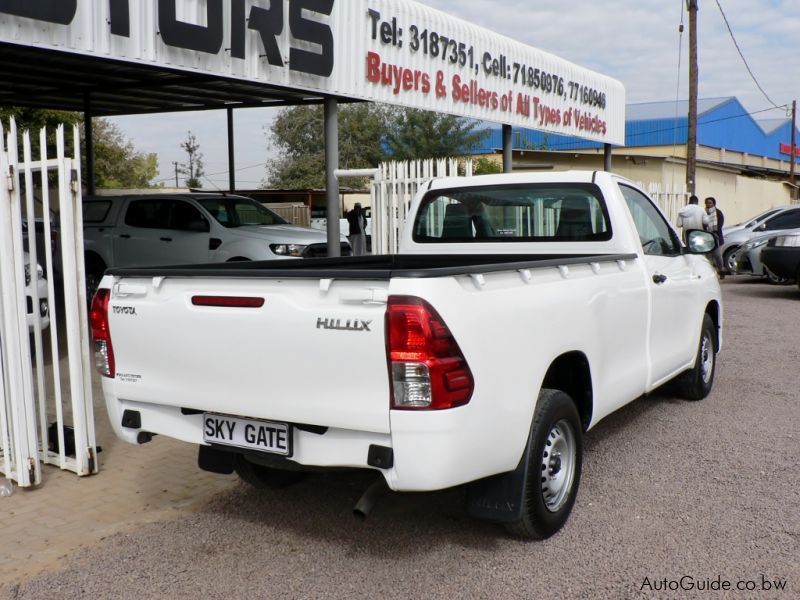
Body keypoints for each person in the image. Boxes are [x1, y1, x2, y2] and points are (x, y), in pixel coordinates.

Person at [704, 196, 726, 279]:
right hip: (707, 238)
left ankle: (721, 270)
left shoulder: (718, 213)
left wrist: (714, 231)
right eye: (706, 203)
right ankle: (710, 273)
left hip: (717, 237)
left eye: (710, 203)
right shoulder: (703, 213)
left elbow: (720, 224)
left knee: (717, 256)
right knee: (708, 256)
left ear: (714, 204)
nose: (708, 204)